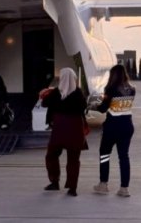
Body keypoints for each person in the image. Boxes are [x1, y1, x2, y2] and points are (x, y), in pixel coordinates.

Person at [41, 67, 88, 196]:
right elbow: (84, 107)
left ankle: (54, 181)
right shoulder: (78, 93)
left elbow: (44, 103)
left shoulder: (56, 93)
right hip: (75, 129)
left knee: (51, 155)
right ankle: (72, 188)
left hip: (59, 129)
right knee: (73, 159)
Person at [92, 64, 136, 197]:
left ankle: (103, 184)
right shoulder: (132, 90)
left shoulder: (110, 89)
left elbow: (103, 108)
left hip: (112, 127)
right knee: (124, 157)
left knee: (105, 154)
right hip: (127, 126)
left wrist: (94, 105)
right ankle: (124, 188)